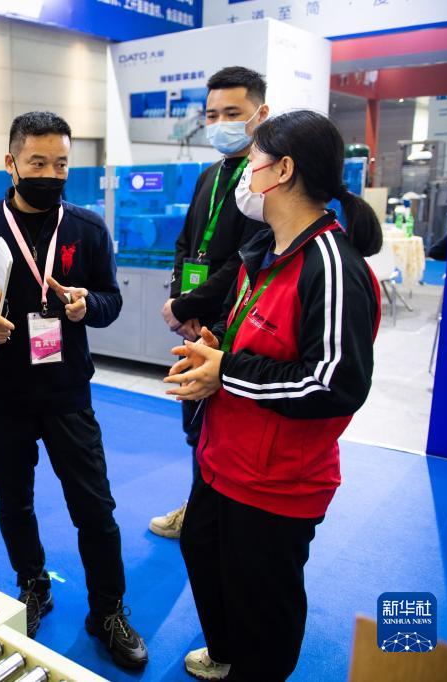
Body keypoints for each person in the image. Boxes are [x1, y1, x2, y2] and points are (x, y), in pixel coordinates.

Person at [164, 110, 382, 681]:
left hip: (278, 480)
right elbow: (251, 331)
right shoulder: (265, 250)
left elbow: (335, 382)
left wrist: (226, 371)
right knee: (203, 555)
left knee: (263, 605)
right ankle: (226, 653)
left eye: (253, 161)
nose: (244, 174)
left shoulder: (332, 268)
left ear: (283, 170)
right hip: (221, 458)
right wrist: (214, 346)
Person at [0, 111, 148, 669]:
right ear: (11, 164)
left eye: (60, 164)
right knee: (14, 501)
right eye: (37, 162)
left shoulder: (87, 228)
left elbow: (111, 300)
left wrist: (88, 306)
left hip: (67, 393)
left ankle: (108, 610)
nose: (50, 174)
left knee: (95, 507)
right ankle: (33, 584)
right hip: (2, 394)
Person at [151, 66, 270, 539]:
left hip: (234, 323)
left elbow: (248, 257)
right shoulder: (209, 176)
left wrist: (190, 305)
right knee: (194, 423)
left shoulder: (263, 182)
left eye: (232, 113)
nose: (220, 123)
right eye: (213, 114)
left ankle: (214, 517)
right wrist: (180, 301)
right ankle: (201, 508)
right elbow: (185, 244)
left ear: (260, 115)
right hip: (195, 321)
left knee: (225, 426)